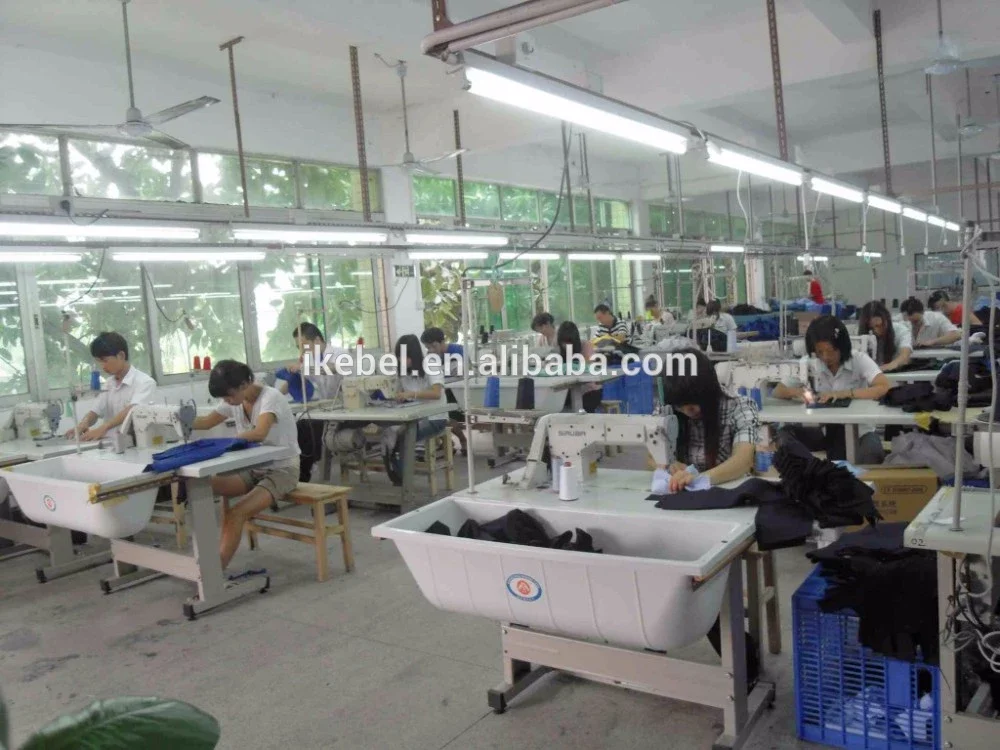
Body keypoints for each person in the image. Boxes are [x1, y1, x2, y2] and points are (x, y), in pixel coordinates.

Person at [192, 360, 301, 570]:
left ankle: (213, 573)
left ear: (244, 384)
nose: (227, 401)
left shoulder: (271, 398)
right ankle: (206, 560)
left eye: (228, 396)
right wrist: (178, 419)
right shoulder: (235, 400)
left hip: (282, 470)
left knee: (236, 513)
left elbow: (260, 433)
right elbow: (206, 422)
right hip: (254, 468)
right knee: (200, 484)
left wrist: (228, 441)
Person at [773, 315, 891, 464]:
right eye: (820, 352)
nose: (825, 357)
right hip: (822, 432)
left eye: (831, 351)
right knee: (784, 436)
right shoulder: (809, 363)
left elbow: (883, 386)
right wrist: (800, 393)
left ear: (841, 345)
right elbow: (778, 390)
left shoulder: (859, 360)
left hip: (860, 431)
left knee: (872, 453)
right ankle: (815, 471)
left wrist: (843, 394)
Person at [661, 347, 759, 492]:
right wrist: (668, 465)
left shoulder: (741, 407)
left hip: (728, 492)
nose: (687, 412)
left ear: (709, 389)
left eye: (692, 404)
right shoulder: (669, 411)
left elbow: (744, 460)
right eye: (680, 406)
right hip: (682, 492)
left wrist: (698, 478)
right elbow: (651, 454)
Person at [280, 323, 348, 483]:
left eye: (304, 346)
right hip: (329, 410)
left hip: (348, 410)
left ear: (317, 340)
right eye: (299, 348)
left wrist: (304, 368)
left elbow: (333, 368)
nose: (302, 351)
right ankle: (297, 475)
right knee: (299, 427)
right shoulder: (310, 359)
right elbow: (290, 384)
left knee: (310, 430)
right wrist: (275, 391)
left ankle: (304, 477)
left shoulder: (340, 353)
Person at [381, 335, 449, 485]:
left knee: (404, 438)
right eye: (399, 357)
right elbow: (398, 392)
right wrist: (397, 396)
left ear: (414, 354)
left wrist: (412, 394)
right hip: (414, 416)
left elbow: (436, 393)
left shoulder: (430, 364)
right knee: (388, 438)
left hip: (435, 417)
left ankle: (404, 483)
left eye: (404, 357)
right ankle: (398, 478)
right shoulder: (404, 372)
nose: (401, 360)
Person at [65, 332, 156, 442]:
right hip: (111, 443)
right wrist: (83, 424)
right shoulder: (109, 383)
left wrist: (103, 428)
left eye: (105, 361)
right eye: (99, 361)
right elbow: (95, 411)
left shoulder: (145, 382)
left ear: (121, 356)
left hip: (136, 443)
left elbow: (132, 410)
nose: (102, 366)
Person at [420, 326, 468, 454]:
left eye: (433, 346)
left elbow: (465, 373)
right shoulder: (430, 357)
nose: (431, 350)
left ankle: (462, 440)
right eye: (428, 347)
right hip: (443, 390)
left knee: (445, 417)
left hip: (458, 390)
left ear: (442, 341)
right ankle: (448, 443)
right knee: (432, 414)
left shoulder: (457, 352)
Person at [555, 321, 601, 413]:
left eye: (569, 342)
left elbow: (589, 364)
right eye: (564, 342)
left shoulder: (586, 345)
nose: (566, 345)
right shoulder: (558, 350)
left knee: (582, 409)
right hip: (567, 390)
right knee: (555, 403)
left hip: (589, 390)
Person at [858, 301, 912, 372]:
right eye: (871, 328)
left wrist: (891, 365)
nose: (876, 331)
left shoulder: (901, 331)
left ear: (887, 320)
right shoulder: (861, 336)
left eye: (879, 325)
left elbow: (905, 356)